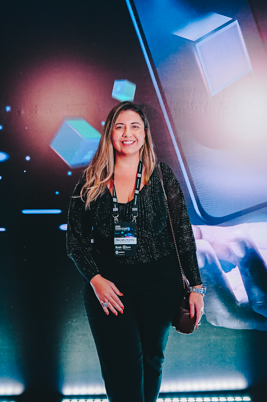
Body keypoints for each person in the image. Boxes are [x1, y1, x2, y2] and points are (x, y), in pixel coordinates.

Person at [67, 101, 204, 402]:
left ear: (144, 134)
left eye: (134, 127)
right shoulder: (91, 180)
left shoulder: (162, 176)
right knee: (121, 368)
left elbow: (183, 233)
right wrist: (95, 279)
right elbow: (75, 241)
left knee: (152, 362)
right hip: (111, 287)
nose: (127, 133)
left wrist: (196, 287)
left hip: (160, 284)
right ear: (109, 134)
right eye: (119, 127)